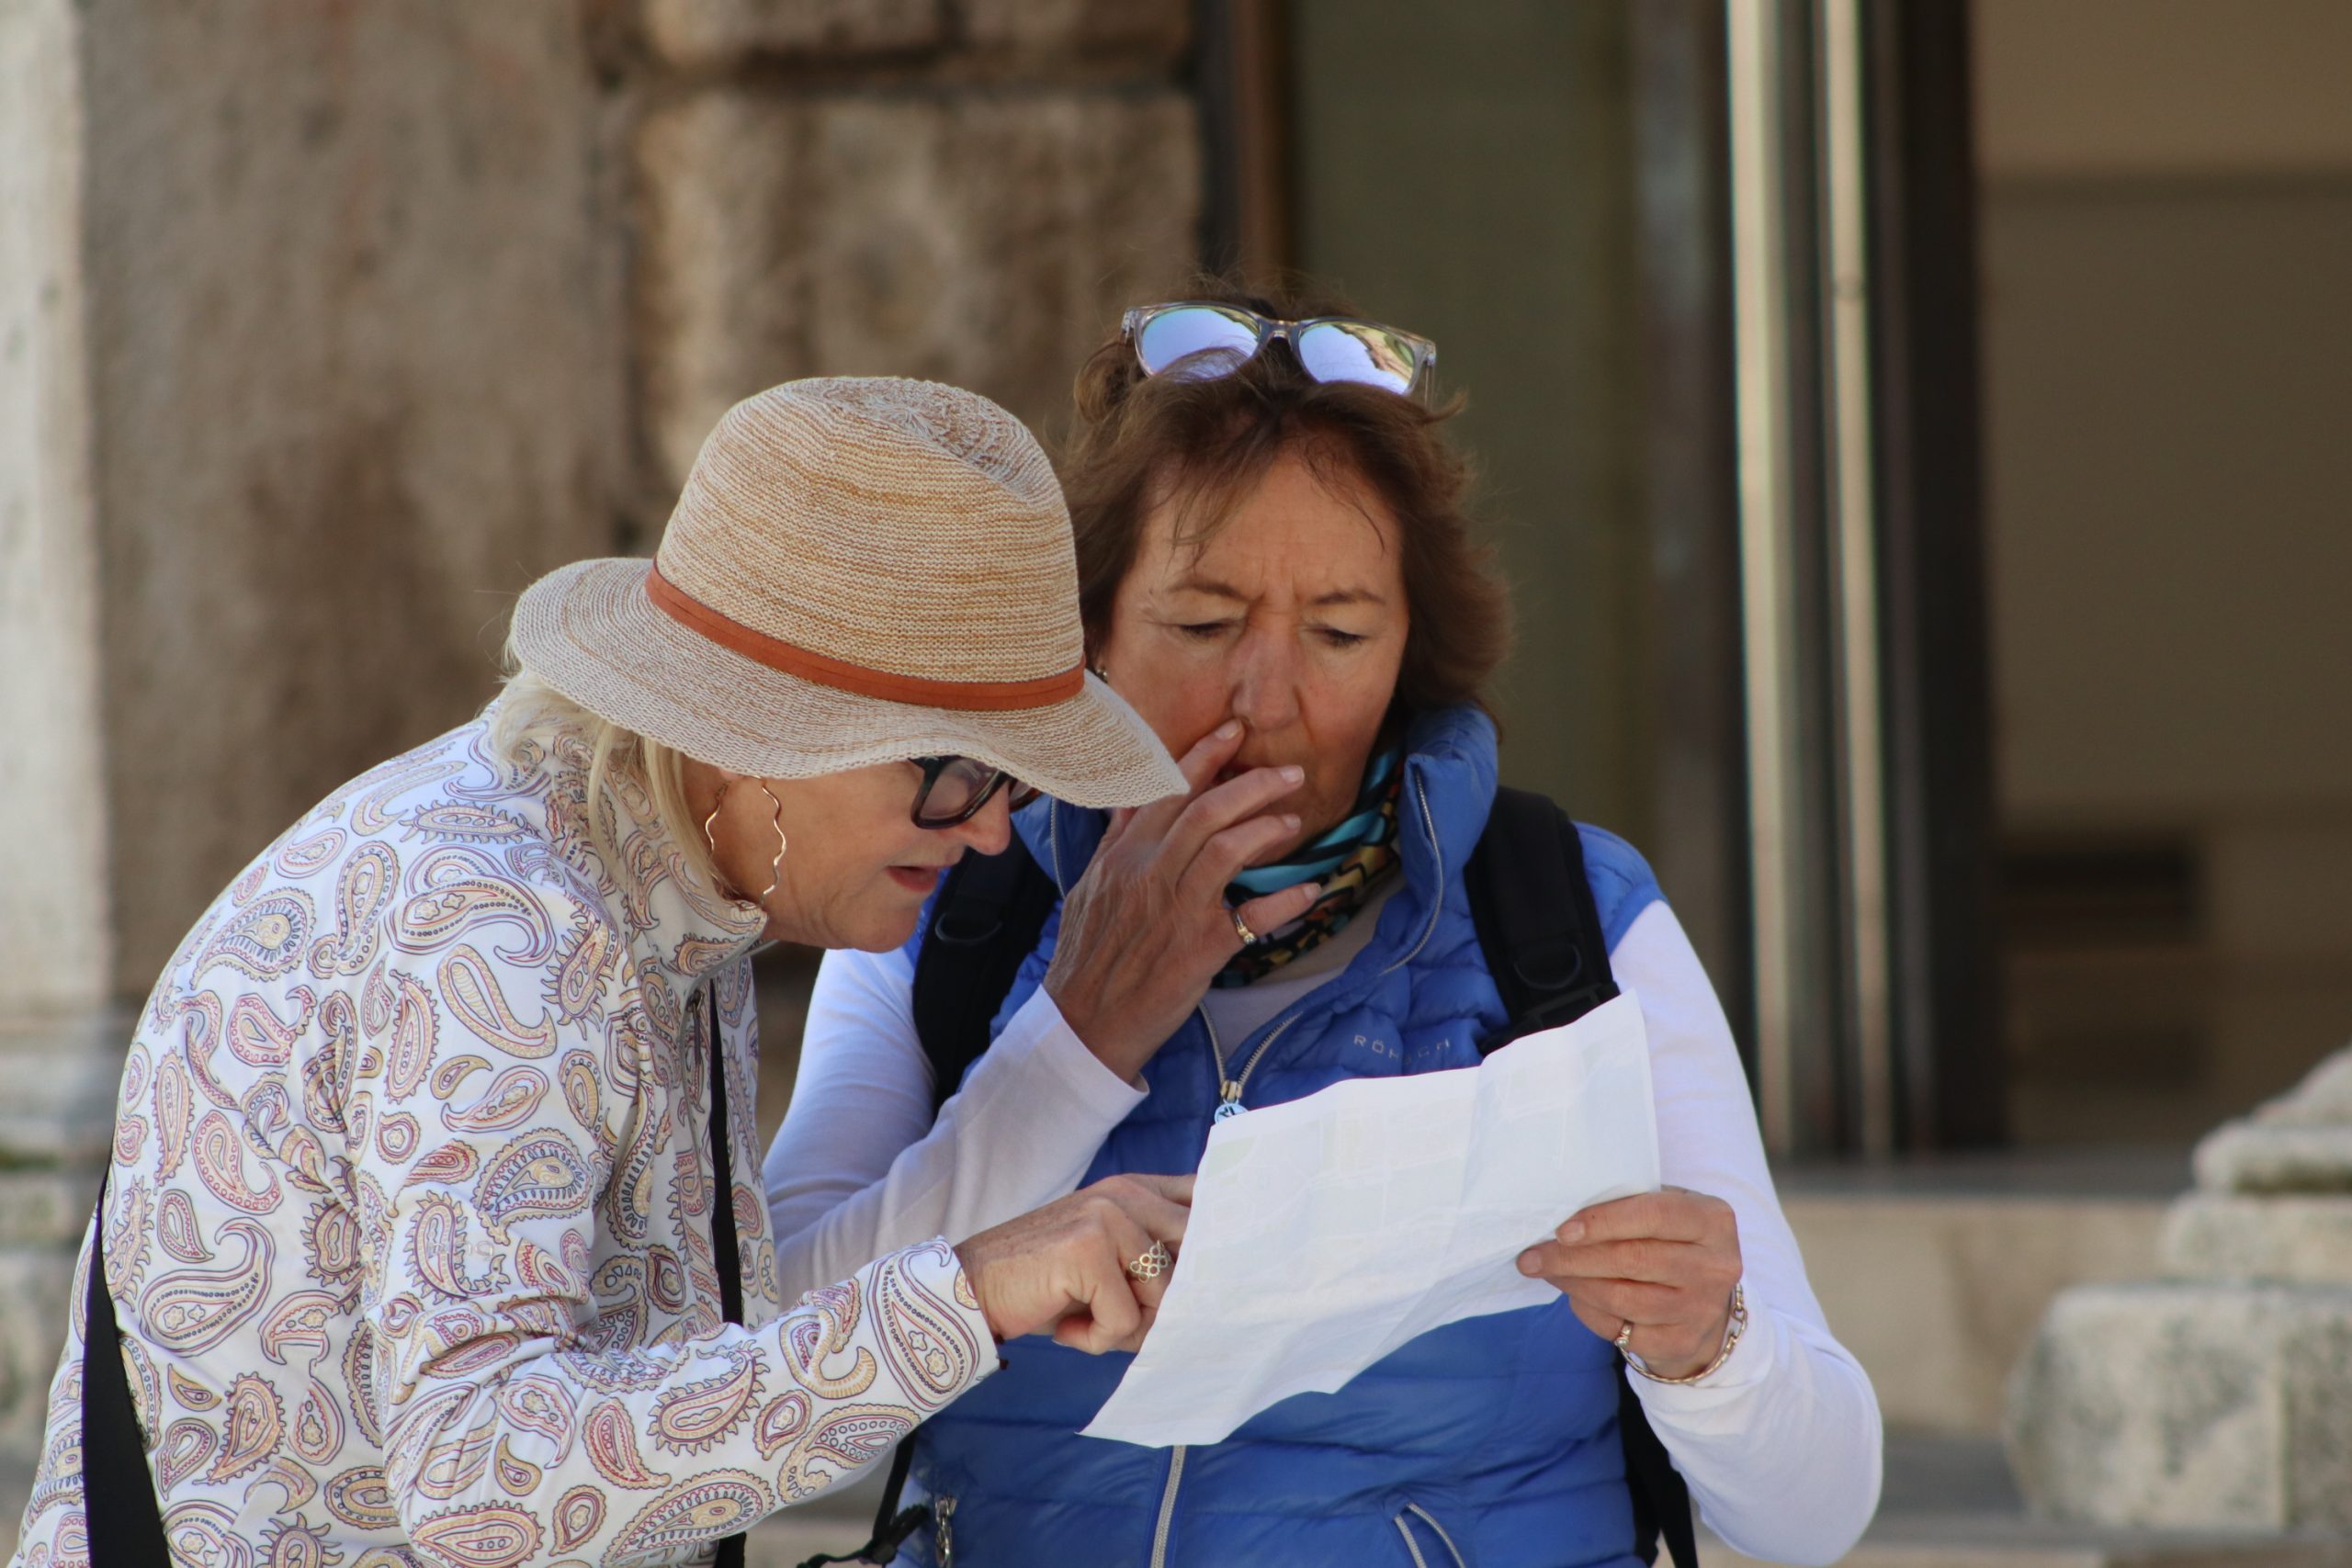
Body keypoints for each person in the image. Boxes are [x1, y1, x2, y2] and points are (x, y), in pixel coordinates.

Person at [762, 287, 1885, 1568]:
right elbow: (774, 1401)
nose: (1270, 699)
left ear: (1411, 655)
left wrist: (1706, 1348)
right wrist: (1076, 1038)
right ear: (1090, 635)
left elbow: (1815, 1513)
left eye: (1341, 632)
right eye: (1201, 624)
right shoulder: (957, 895)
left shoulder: (1565, 917)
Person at [8, 378, 1202, 1568]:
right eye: (953, 774)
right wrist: (972, 1291)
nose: (988, 830)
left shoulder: (662, 872)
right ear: (763, 733)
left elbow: (698, 1367)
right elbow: (481, 1479)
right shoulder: (503, 932)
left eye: (1012, 779)